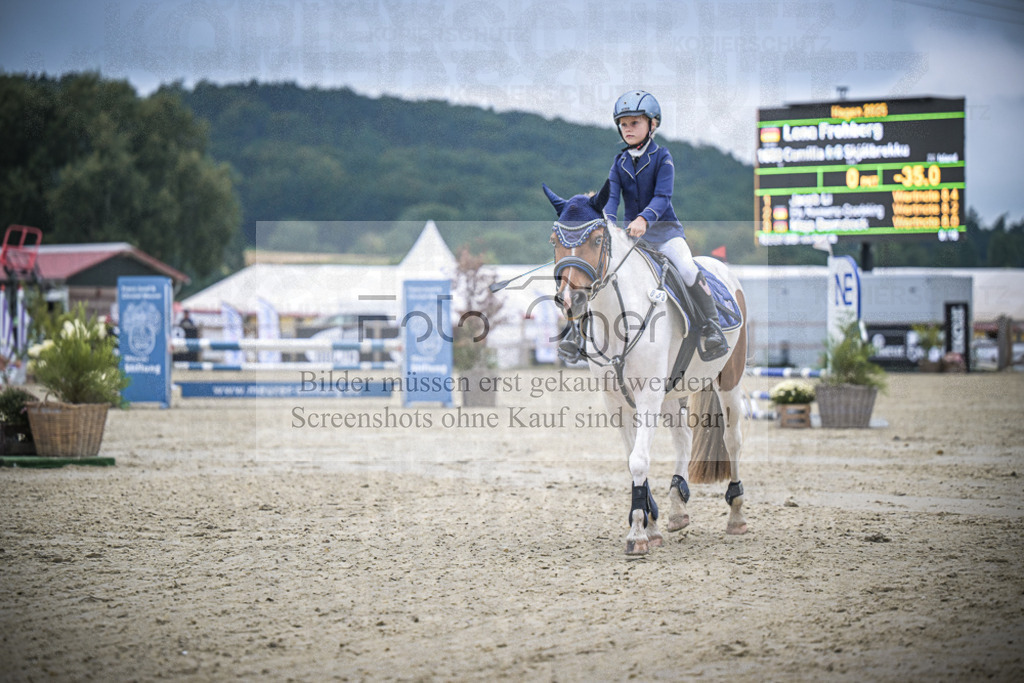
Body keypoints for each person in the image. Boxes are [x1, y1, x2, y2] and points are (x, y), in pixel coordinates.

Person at [557, 90, 729, 363]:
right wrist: (609, 223)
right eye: (623, 124)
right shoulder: (620, 162)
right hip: (632, 237)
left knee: (686, 267)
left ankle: (711, 327)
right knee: (600, 273)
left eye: (634, 123)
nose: (628, 129)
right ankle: (576, 332)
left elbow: (663, 197)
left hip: (665, 232)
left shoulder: (663, 157)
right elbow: (611, 199)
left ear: (653, 124)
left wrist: (644, 219)